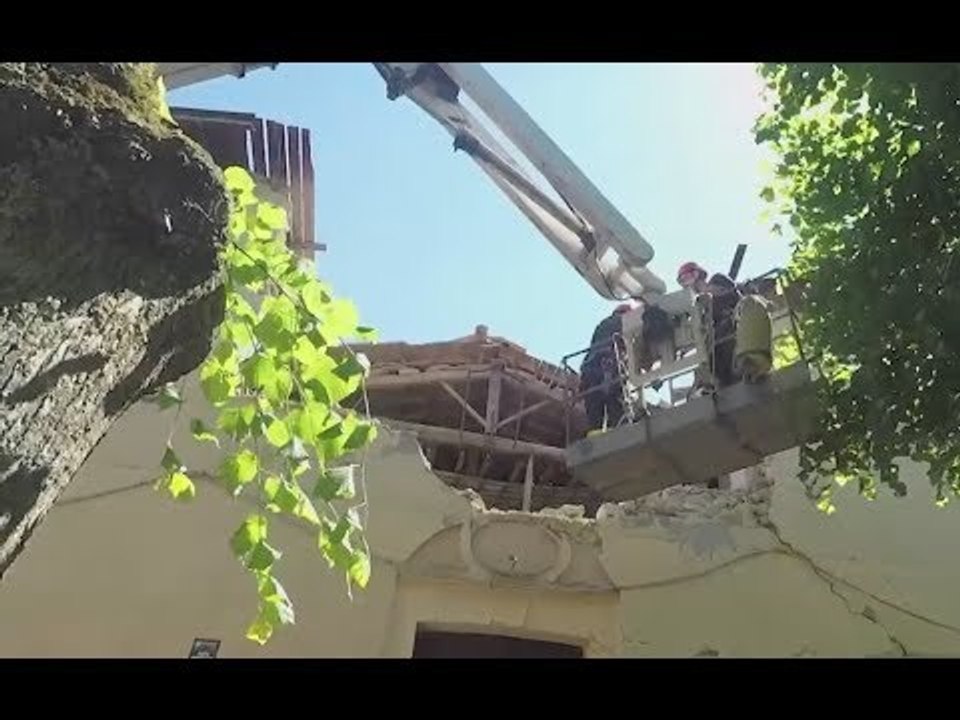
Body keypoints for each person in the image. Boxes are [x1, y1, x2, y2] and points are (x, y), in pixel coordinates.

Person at [677, 261, 741, 388]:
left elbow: (730, 293)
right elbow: (699, 331)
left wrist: (705, 297)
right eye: (683, 281)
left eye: (689, 277)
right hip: (717, 347)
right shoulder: (698, 309)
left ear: (699, 274)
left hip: (732, 330)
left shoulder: (718, 280)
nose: (688, 284)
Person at [580, 303, 634, 434]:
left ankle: (596, 436)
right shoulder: (624, 321)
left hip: (590, 371)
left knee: (595, 410)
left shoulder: (602, 325)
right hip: (609, 367)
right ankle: (621, 434)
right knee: (616, 405)